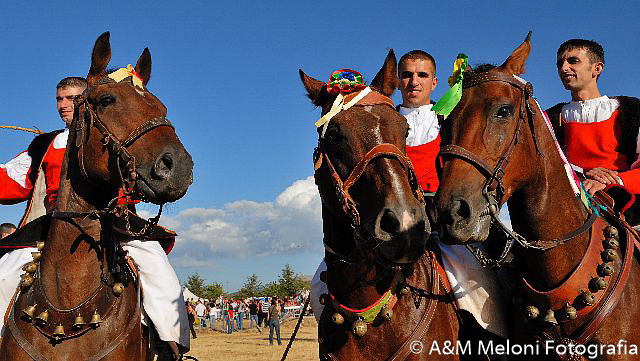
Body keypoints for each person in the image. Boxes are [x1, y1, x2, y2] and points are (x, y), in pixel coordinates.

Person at [309, 51, 509, 343]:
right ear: (398, 80)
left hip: (441, 225)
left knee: (474, 281)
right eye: (407, 75)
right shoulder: (379, 119)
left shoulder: (449, 121)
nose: (414, 82)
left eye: (422, 75)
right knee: (320, 283)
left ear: (435, 82)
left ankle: (494, 344)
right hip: (387, 219)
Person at [0, 76, 190, 359]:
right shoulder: (45, 145)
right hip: (53, 227)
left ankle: (172, 348)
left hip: (115, 221)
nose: (65, 105)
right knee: (4, 271)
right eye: (59, 99)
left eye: (72, 99)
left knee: (157, 268)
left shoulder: (111, 135)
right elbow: (9, 180)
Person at [546, 39, 640, 212]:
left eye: (573, 61)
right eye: (560, 63)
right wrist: (582, 173)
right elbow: (544, 165)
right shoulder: (549, 118)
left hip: (627, 200)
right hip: (569, 198)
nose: (563, 68)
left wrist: (612, 180)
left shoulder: (632, 110)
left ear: (597, 69)